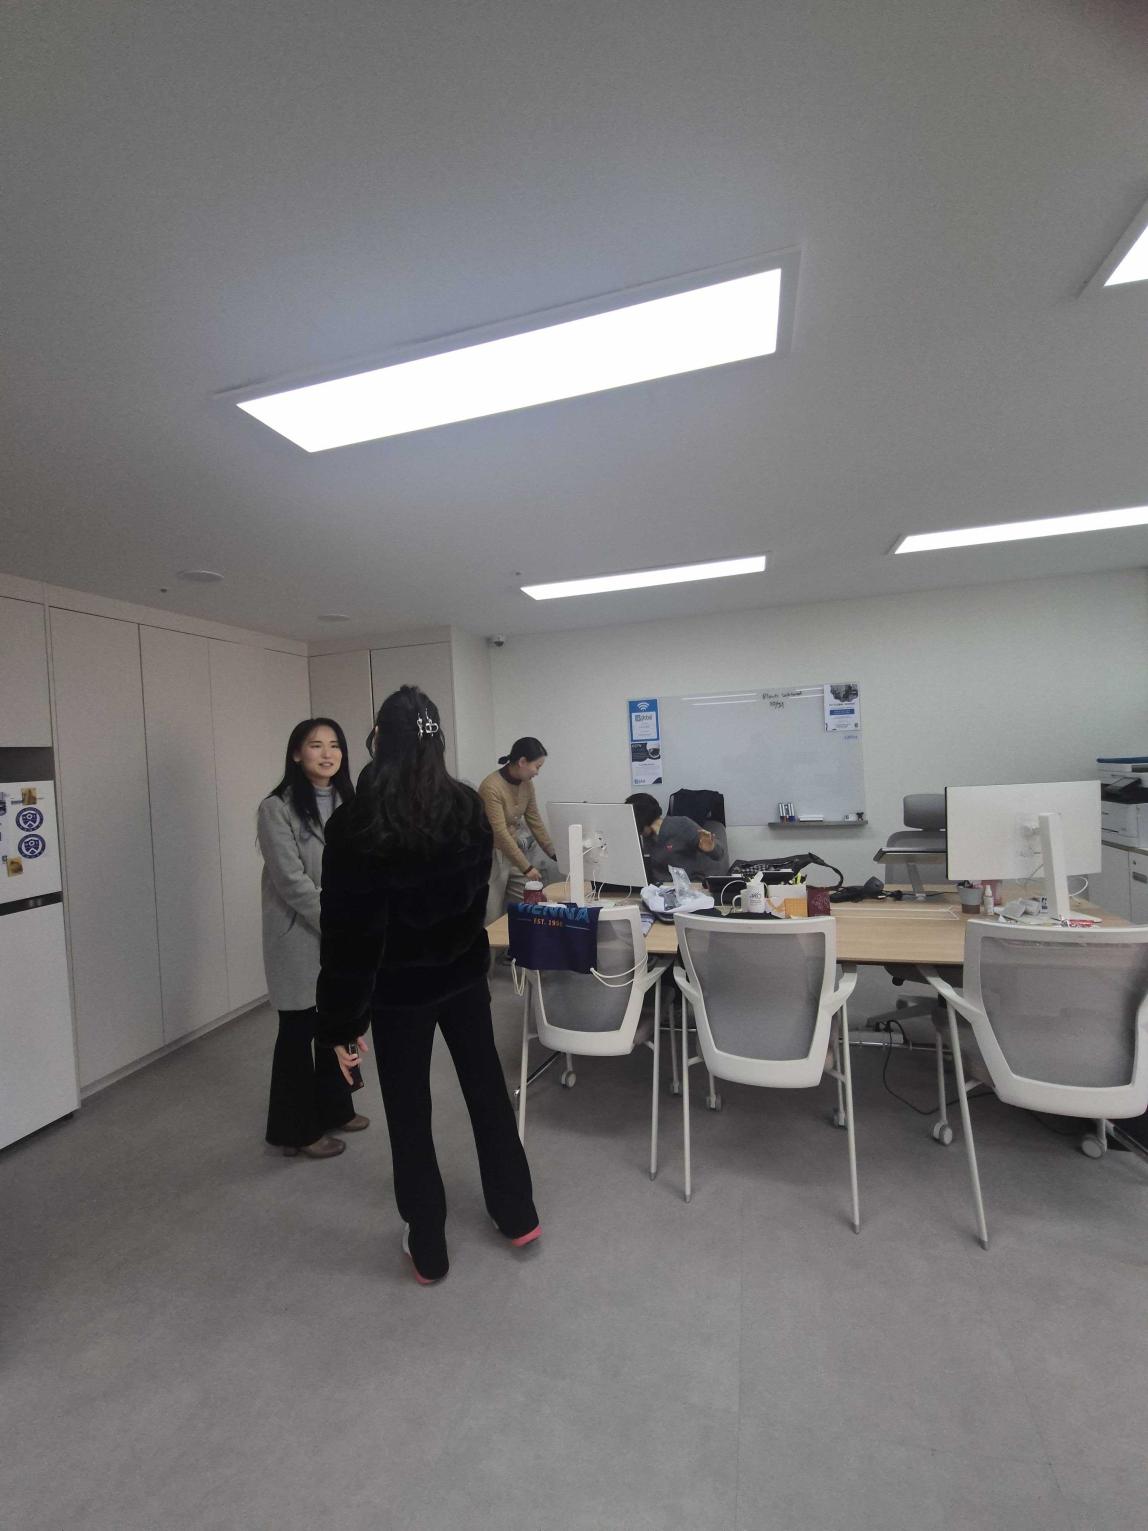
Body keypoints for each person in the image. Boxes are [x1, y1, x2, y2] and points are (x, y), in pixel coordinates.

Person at [316, 686, 539, 1285]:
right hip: (463, 977)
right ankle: (516, 1212)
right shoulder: (466, 805)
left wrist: (341, 1023)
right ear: (436, 741)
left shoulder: (355, 824)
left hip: (397, 995)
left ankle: (430, 1243)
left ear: (380, 741)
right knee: (487, 1092)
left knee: (409, 1113)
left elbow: (348, 937)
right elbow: (476, 896)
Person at [259, 718, 369, 1159]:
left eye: (335, 745)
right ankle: (294, 1131)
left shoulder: (350, 801)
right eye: (315, 745)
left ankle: (335, 1108)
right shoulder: (277, 808)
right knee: (298, 1029)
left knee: (335, 1020)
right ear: (296, 754)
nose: (327, 753)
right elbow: (291, 880)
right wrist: (340, 924)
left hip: (341, 932)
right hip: (300, 933)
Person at [478, 737, 558, 925]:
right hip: (492, 856)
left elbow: (534, 820)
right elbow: (499, 832)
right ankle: (491, 955)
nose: (537, 773)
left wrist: (554, 853)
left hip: (513, 854)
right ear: (522, 762)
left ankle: (520, 952)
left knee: (534, 903)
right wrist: (527, 867)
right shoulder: (491, 787)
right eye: (537, 767)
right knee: (492, 915)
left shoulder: (526, 784)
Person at [626, 792, 728, 881]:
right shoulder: (645, 837)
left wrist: (711, 848)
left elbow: (719, 854)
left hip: (688, 887)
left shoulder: (682, 825)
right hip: (657, 888)